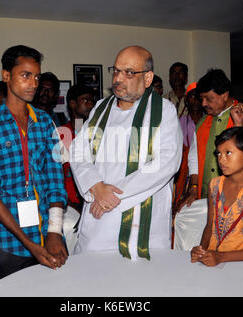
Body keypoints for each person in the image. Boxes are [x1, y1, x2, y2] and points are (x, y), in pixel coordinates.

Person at [70, 46, 183, 260]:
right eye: (116, 71)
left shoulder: (164, 111)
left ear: (148, 78)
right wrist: (95, 186)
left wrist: (111, 195)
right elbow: (78, 150)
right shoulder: (101, 108)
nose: (118, 79)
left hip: (139, 214)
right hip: (97, 215)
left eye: (129, 72)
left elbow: (167, 163)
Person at [0, 45, 68, 281]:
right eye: (25, 75)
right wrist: (29, 244)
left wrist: (54, 232)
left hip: (49, 235)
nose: (33, 84)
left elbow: (56, 179)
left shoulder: (45, 122)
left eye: (36, 77)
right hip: (10, 243)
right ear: (6, 76)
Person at [173, 69, 243, 251]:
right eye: (201, 98)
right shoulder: (203, 123)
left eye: (208, 98)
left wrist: (240, 126)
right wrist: (193, 188)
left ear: (225, 94)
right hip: (206, 196)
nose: (203, 104)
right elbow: (194, 157)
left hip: (235, 200)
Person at [191, 127, 243, 267]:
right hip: (215, 261)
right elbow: (210, 226)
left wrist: (222, 257)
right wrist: (201, 250)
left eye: (228, 153)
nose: (221, 159)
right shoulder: (215, 185)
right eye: (219, 153)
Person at [57, 84, 95, 254]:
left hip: (95, 201)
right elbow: (57, 177)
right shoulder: (61, 134)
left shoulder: (97, 133)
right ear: (72, 104)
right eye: (85, 100)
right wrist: (76, 207)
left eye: (92, 100)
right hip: (70, 205)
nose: (91, 104)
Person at [172, 82, 204, 213]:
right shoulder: (179, 122)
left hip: (202, 170)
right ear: (186, 99)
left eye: (199, 97)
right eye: (192, 96)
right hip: (183, 173)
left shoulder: (208, 121)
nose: (195, 100)